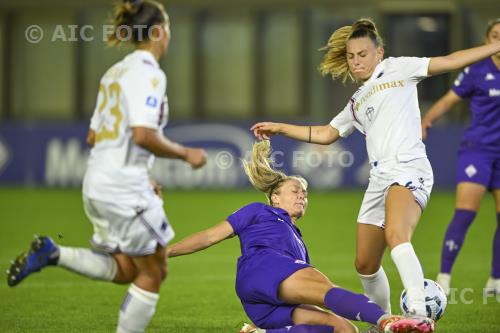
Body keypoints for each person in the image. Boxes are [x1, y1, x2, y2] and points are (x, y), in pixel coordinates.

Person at [251, 18, 500, 320]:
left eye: (363, 54)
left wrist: (494, 46)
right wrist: (280, 128)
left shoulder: (398, 68)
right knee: (365, 264)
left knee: (397, 235)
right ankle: (384, 321)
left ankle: (419, 317)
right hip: (379, 178)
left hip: (408, 167)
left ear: (379, 53)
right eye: (351, 56)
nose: (356, 62)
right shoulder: (356, 101)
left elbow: (447, 62)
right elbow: (327, 134)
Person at [6, 1, 206, 332]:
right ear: (157, 32)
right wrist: (186, 154)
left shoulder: (114, 73)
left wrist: (143, 176)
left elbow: (92, 136)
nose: (169, 34)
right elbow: (143, 135)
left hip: (97, 184)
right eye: (167, 27)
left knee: (127, 269)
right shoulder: (150, 74)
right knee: (154, 271)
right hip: (123, 189)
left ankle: (54, 254)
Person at [168, 140, 435, 333]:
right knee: (326, 288)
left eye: (305, 194)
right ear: (275, 197)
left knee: (342, 328)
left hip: (263, 306)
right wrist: (166, 252)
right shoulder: (258, 211)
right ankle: (385, 320)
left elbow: (302, 293)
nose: (301, 196)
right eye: (295, 190)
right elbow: (209, 237)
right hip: (261, 268)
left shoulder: (298, 243)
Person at [421, 18, 500, 295]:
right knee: (466, 213)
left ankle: (496, 281)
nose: (499, 41)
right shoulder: (477, 70)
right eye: (495, 36)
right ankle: (444, 277)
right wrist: (426, 121)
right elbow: (447, 100)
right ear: (487, 40)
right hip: (477, 150)